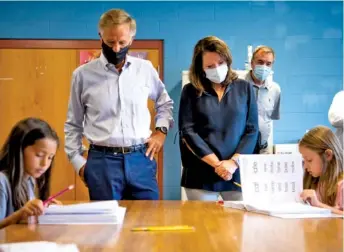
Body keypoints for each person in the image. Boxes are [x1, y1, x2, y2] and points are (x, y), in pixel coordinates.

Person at [64, 9, 174, 200]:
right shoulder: (82, 75)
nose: (116, 48)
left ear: (131, 39)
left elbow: (165, 104)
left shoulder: (145, 69)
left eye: (122, 42)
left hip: (141, 158)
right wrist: (78, 162)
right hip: (102, 161)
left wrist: (161, 133)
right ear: (100, 36)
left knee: (148, 222)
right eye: (110, 42)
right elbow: (73, 124)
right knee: (107, 227)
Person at [179, 36, 259, 201]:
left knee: (238, 226)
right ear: (200, 68)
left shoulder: (245, 88)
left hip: (236, 172)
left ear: (228, 61)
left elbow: (252, 130)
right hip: (200, 174)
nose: (216, 69)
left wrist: (232, 163)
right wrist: (217, 164)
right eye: (209, 66)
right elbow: (188, 131)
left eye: (220, 63)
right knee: (204, 226)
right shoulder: (190, 91)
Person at [0, 118, 59, 229]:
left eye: (50, 157)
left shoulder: (29, 180)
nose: (45, 164)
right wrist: (18, 216)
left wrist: (45, 210)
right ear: (19, 149)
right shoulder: (1, 181)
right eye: (39, 155)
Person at [244, 45, 281, 154]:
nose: (264, 67)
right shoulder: (238, 86)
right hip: (241, 149)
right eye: (260, 62)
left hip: (263, 148)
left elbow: (271, 119)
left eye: (268, 64)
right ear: (252, 63)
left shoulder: (275, 89)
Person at [299, 126, 343, 215]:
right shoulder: (315, 181)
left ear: (328, 155)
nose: (305, 167)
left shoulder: (341, 186)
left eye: (309, 160)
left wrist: (318, 205)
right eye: (304, 161)